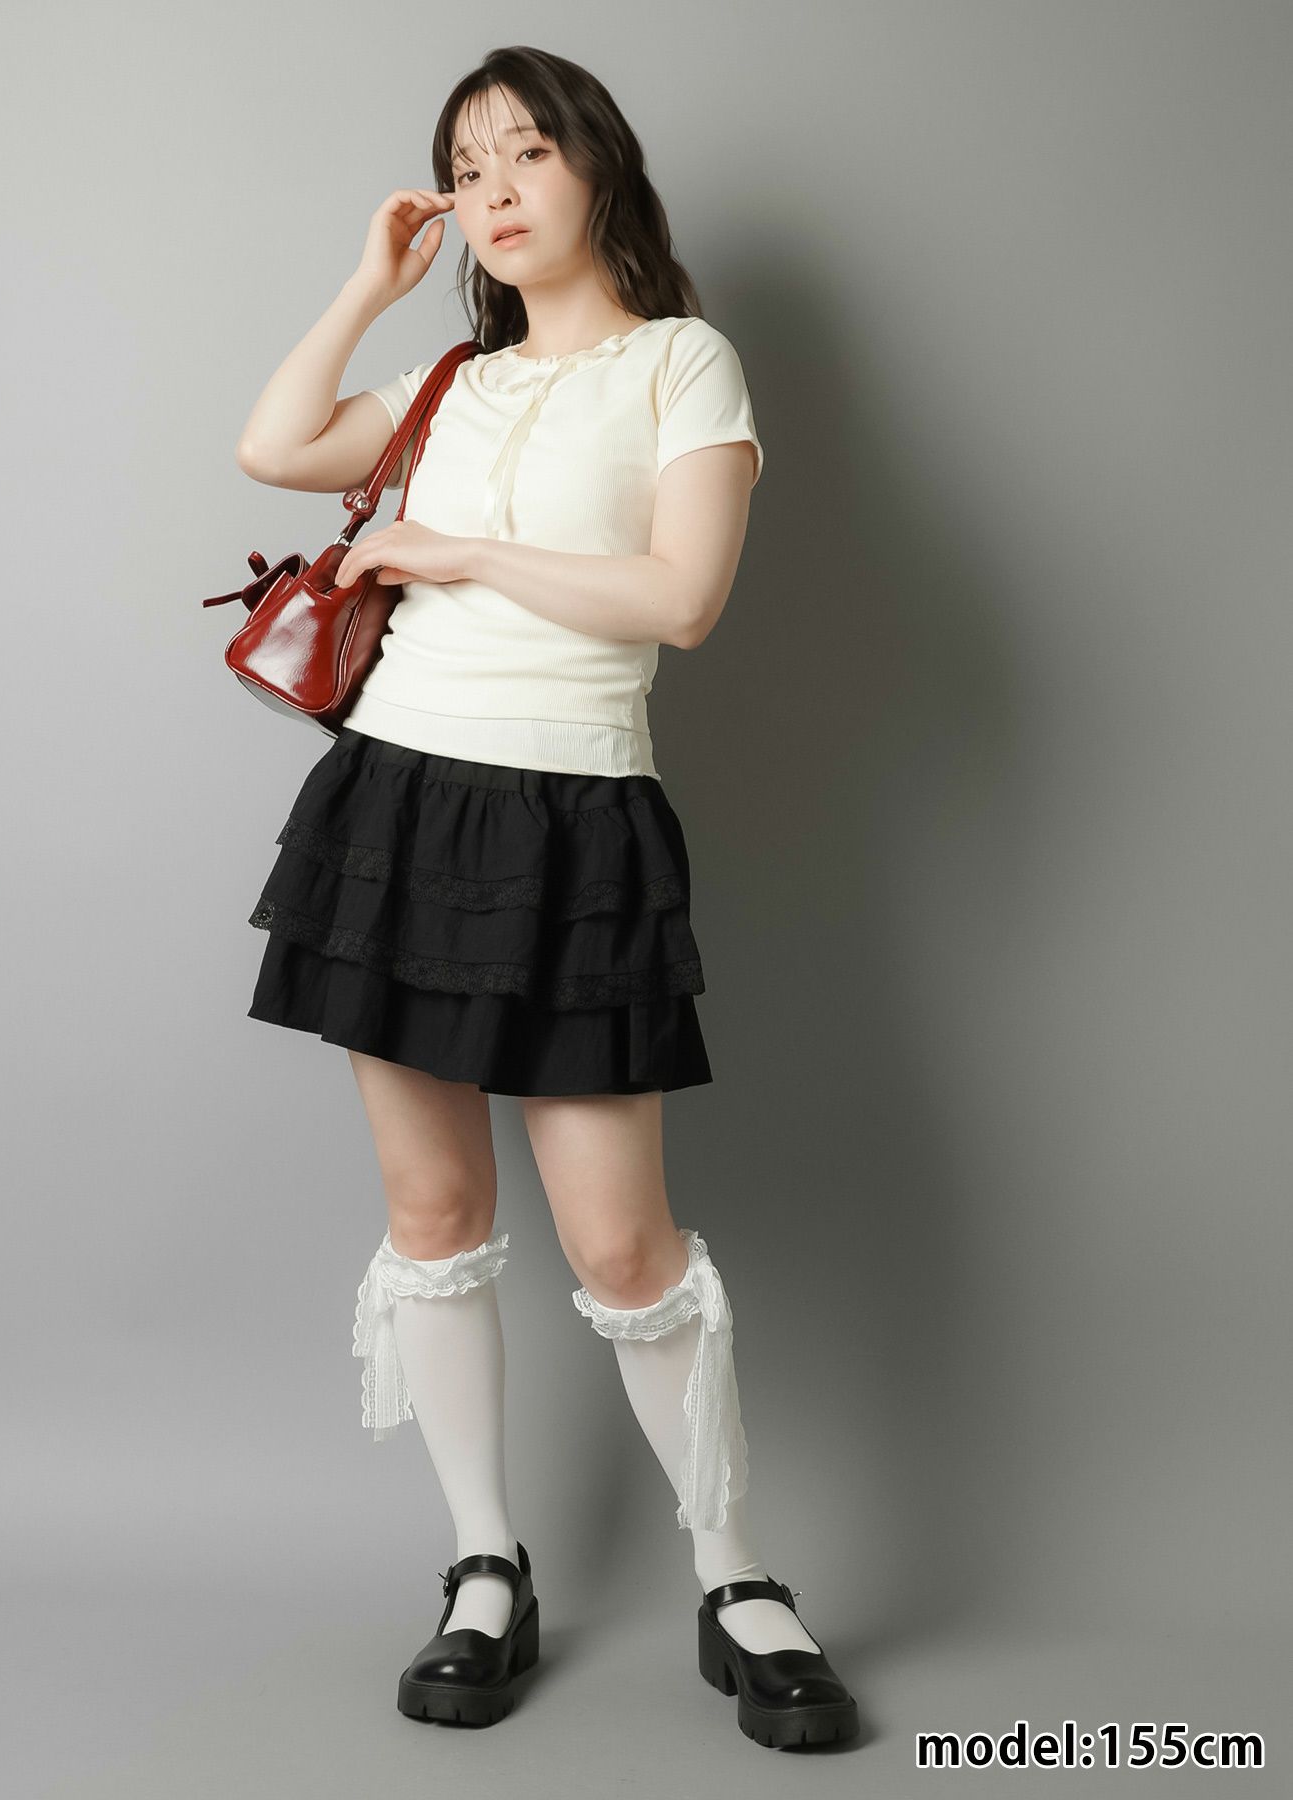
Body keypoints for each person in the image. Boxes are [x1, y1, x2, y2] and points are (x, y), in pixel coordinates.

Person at [233, 45, 858, 1750]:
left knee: (621, 1241)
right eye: (465, 167)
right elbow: (272, 443)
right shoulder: (449, 379)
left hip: (577, 817)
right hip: (396, 803)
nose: (494, 190)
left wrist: (458, 555)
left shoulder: (680, 362)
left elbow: (682, 599)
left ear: (598, 167)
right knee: (434, 1214)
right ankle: (483, 1566)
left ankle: (736, 1576)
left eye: (525, 152)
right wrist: (371, 283)